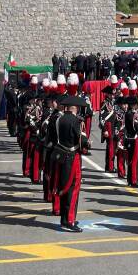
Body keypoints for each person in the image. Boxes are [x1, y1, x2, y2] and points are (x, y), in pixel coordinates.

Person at [55, 95, 90, 232]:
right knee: (73, 189)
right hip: (73, 157)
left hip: (61, 155)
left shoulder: (59, 119)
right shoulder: (76, 121)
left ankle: (64, 219)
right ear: (75, 108)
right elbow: (81, 141)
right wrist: (87, 143)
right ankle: (69, 220)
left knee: (64, 186)